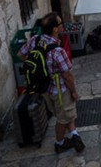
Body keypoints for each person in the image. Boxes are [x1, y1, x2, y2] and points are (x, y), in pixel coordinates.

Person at [18, 13, 85, 154]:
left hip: (44, 89)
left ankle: (74, 135)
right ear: (55, 29)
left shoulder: (35, 40)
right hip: (60, 90)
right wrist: (73, 91)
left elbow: (20, 54)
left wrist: (39, 68)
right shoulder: (57, 51)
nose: (62, 26)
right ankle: (59, 143)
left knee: (66, 114)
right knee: (62, 118)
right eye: (60, 24)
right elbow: (67, 75)